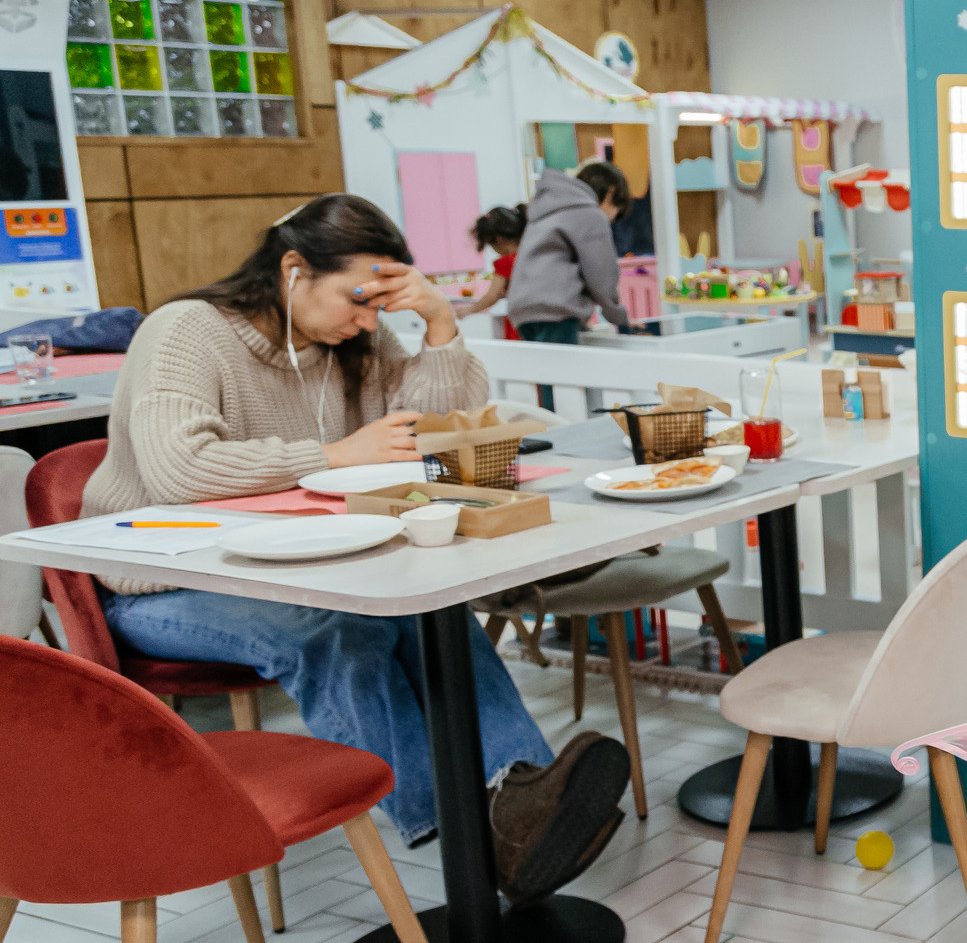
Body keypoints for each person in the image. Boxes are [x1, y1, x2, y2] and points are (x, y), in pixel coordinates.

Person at [80, 195, 629, 896]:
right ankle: (465, 832)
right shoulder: (186, 331)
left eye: (381, 303)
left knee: (430, 605)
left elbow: (435, 428)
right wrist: (333, 453)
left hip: (294, 564)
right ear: (292, 270)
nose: (369, 319)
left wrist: (438, 323)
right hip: (163, 581)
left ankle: (515, 790)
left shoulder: (352, 341)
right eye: (358, 298)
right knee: (334, 628)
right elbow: (178, 470)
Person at [510, 161, 633, 347]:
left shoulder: (547, 210)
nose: (612, 219)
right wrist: (619, 318)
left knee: (547, 372)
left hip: (524, 310)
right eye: (616, 212)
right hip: (555, 310)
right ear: (610, 192)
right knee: (563, 373)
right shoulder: (589, 213)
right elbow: (601, 272)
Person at [451, 205, 526, 339]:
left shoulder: (506, 262)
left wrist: (469, 310)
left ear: (498, 239)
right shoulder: (531, 256)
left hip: (519, 321)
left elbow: (493, 295)